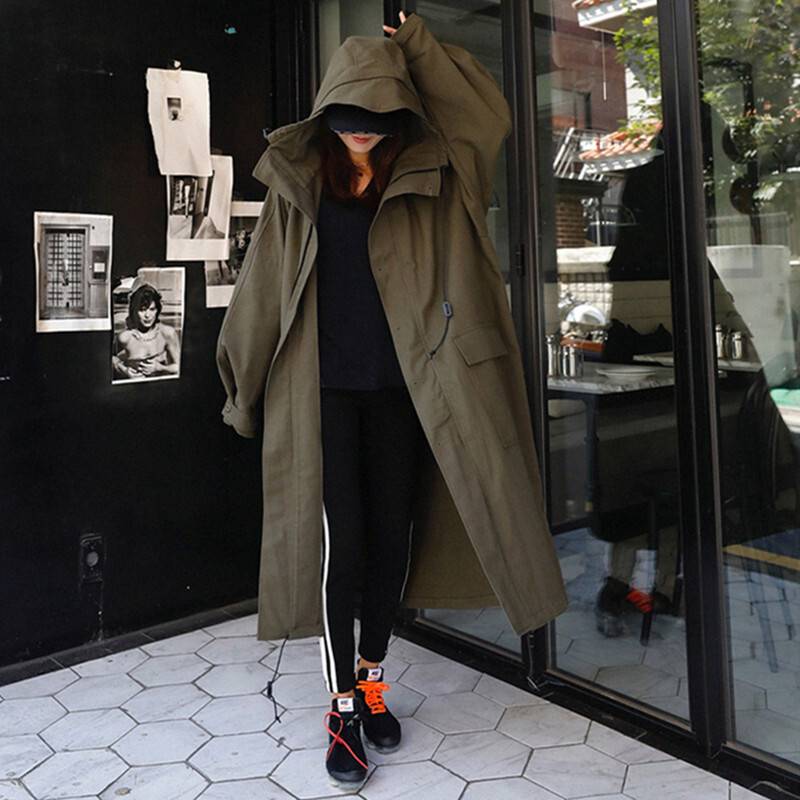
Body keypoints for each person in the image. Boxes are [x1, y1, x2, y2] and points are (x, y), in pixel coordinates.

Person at [216, 8, 569, 792]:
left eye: (377, 114)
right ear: (324, 116)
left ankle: (373, 678)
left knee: (390, 542)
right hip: (324, 396)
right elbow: (261, 294)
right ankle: (342, 708)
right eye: (347, 115)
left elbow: (486, 116)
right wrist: (242, 391)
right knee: (342, 549)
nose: (362, 129)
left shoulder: (440, 175)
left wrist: (414, 44)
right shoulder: (301, 188)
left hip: (409, 392)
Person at [113, 279, 180, 380]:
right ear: (135, 311)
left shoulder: (167, 333)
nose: (147, 315)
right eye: (142, 310)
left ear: (157, 310)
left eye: (152, 309)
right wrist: (124, 370)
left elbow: (179, 366)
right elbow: (110, 357)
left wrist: (160, 368)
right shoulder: (125, 337)